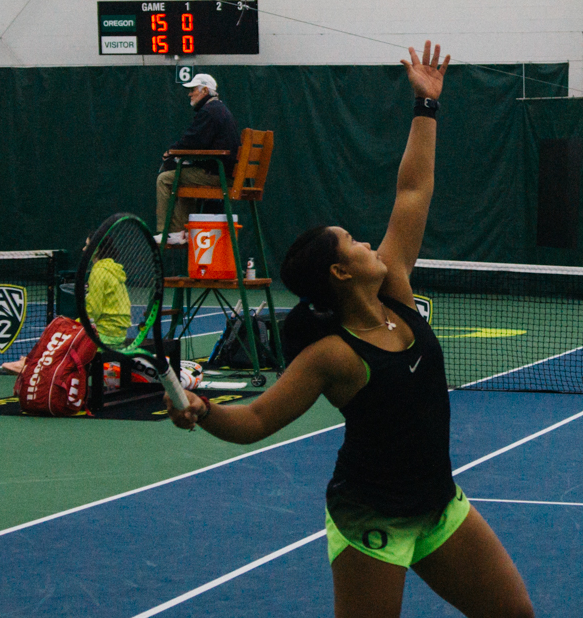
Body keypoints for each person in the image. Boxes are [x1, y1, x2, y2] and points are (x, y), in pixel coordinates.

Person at [166, 42, 535, 618]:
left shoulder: (396, 288)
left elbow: (413, 190)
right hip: (371, 523)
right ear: (341, 272)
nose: (368, 243)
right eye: (354, 242)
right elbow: (258, 418)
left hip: (440, 507)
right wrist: (205, 409)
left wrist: (426, 105)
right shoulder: (332, 356)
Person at [2, 235, 130, 374]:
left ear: (96, 249)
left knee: (57, 330)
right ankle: (30, 362)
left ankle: (30, 365)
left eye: (87, 245)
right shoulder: (114, 269)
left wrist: (73, 326)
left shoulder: (99, 271)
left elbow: (93, 311)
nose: (83, 249)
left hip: (104, 335)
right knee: (61, 330)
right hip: (117, 333)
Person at [155, 73, 241, 245]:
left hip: (218, 175)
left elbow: (193, 140)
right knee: (183, 178)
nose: (190, 94)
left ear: (204, 90)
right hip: (224, 173)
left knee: (164, 179)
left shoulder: (210, 112)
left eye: (193, 90)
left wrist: (172, 152)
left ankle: (168, 232)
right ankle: (182, 231)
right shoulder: (220, 110)